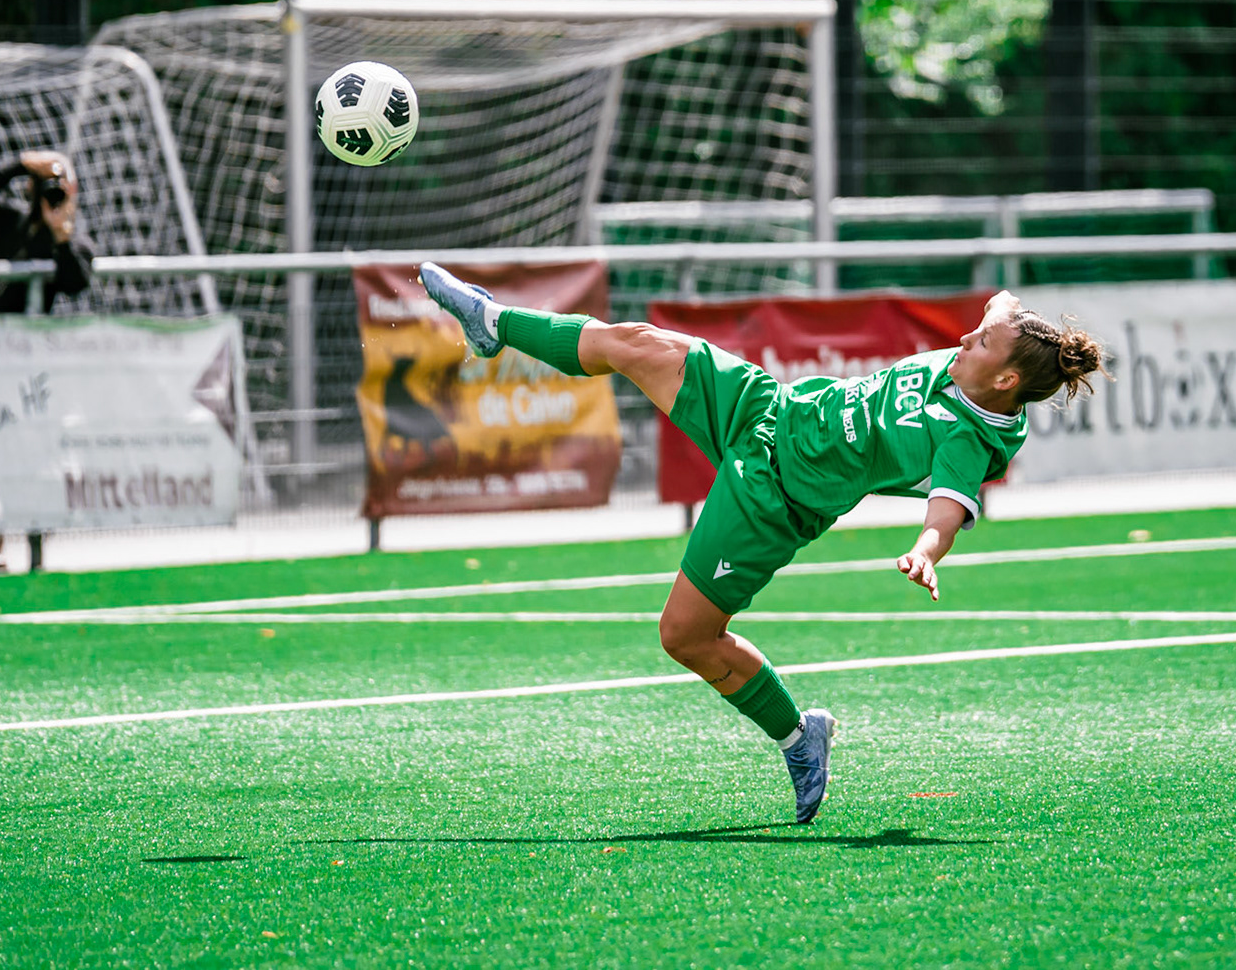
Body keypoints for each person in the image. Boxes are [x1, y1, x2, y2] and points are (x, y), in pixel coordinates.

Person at [418, 262, 1106, 825]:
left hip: (773, 498)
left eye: (980, 345)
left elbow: (948, 509)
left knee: (684, 635)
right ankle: (491, 322)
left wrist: (927, 551)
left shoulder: (966, 435)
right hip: (767, 408)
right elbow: (1002, 308)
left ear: (1006, 380)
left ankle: (798, 735)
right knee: (633, 342)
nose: (963, 343)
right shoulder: (988, 362)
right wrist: (1001, 316)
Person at [0, 150, 92, 314]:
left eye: (59, 184)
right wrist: (21, 164)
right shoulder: (11, 221)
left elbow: (76, 284)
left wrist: (62, 238)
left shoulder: (72, 239)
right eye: (44, 182)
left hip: (21, 333)